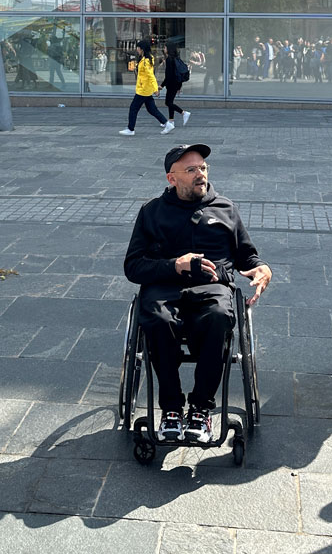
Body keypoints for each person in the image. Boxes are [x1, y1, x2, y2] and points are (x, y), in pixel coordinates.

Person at [124, 143, 272, 443]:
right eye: (190, 170)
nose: (200, 174)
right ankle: (172, 409)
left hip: (212, 286)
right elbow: (133, 266)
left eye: (202, 167)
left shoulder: (226, 208)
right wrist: (172, 265)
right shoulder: (151, 212)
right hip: (165, 286)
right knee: (155, 318)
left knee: (219, 317)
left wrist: (260, 268)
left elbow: (247, 255)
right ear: (172, 179)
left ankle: (201, 409)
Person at [119, 39, 169, 136]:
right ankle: (166, 123)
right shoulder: (146, 59)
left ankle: (130, 129)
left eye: (138, 47)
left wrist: (155, 89)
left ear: (142, 49)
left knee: (133, 108)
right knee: (151, 109)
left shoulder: (146, 61)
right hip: (145, 88)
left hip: (143, 90)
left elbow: (151, 76)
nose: (137, 49)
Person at [159, 41, 191, 132]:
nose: (164, 49)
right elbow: (178, 73)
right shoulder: (176, 58)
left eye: (165, 48)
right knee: (170, 102)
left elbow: (168, 76)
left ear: (168, 49)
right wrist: (179, 86)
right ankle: (171, 121)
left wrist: (162, 85)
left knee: (168, 103)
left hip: (171, 84)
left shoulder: (169, 59)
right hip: (176, 83)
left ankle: (183, 113)